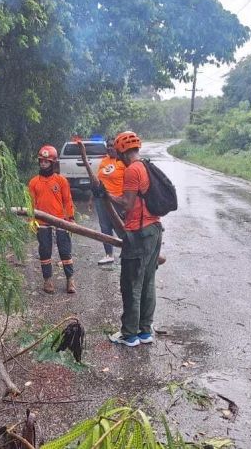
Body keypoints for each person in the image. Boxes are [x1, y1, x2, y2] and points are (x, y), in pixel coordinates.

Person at [106, 131, 163, 347]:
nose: (116, 155)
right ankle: (145, 331)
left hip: (139, 233)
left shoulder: (132, 171)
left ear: (122, 150)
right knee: (148, 282)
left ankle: (129, 334)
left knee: (131, 284)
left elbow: (127, 204)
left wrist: (106, 194)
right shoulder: (147, 166)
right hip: (155, 229)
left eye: (116, 150)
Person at [28, 145, 76, 294]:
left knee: (65, 251)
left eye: (46, 161)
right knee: (44, 252)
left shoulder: (61, 181)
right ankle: (47, 280)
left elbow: (67, 201)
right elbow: (30, 203)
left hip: (60, 221)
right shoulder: (33, 182)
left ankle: (70, 280)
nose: (43, 164)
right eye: (41, 161)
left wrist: (71, 219)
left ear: (53, 163)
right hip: (42, 223)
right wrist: (31, 220)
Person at [93, 137, 126, 265]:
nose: (109, 147)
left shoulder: (123, 162)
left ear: (118, 147)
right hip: (101, 199)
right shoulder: (104, 161)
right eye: (108, 145)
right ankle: (109, 254)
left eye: (112, 145)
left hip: (117, 199)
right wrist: (93, 197)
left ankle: (128, 250)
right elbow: (99, 179)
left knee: (120, 226)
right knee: (105, 226)